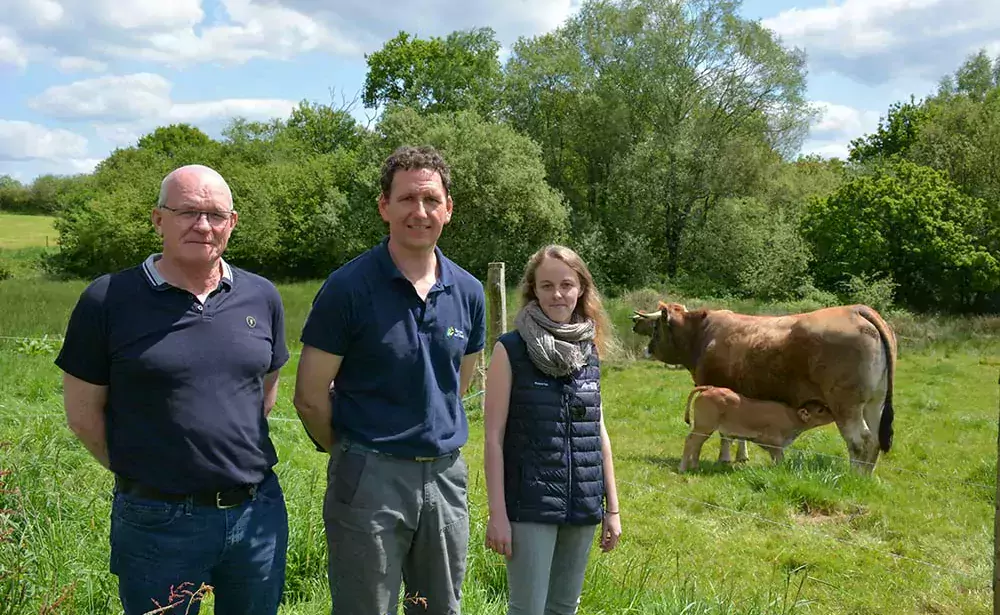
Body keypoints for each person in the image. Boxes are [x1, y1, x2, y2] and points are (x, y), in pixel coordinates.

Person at [55, 164, 290, 615]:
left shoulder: (261, 296)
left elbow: (263, 393)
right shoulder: (108, 300)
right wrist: (152, 474)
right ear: (158, 219)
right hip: (156, 520)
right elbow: (84, 416)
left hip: (255, 513)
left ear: (232, 223)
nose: (203, 225)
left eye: (215, 215)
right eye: (187, 212)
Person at [293, 145, 486, 615]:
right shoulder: (349, 288)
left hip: (444, 476)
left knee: (439, 607)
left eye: (432, 200)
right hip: (369, 475)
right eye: (406, 199)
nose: (420, 212)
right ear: (384, 206)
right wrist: (350, 449)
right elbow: (309, 397)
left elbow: (458, 383)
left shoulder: (469, 292)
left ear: (448, 209)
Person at [483, 244, 622, 615]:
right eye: (546, 286)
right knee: (527, 608)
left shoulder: (590, 350)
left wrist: (613, 509)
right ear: (533, 290)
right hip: (529, 505)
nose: (557, 294)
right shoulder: (510, 350)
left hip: (584, 503)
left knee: (564, 607)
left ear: (581, 289)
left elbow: (599, 432)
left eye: (566, 284)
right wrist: (497, 513)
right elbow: (493, 439)